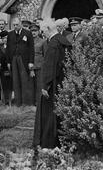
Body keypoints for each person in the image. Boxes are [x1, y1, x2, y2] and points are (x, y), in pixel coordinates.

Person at [33, 19, 72, 149]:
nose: (42, 33)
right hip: (63, 82)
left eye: (43, 31)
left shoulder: (53, 44)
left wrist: (45, 86)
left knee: (49, 114)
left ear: (49, 29)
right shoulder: (63, 41)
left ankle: (49, 143)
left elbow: (50, 67)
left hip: (53, 85)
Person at [7, 18, 35, 106]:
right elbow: (8, 48)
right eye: (14, 25)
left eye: (17, 25)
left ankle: (25, 102)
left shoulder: (27, 33)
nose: (15, 27)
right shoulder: (10, 34)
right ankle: (18, 102)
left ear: (21, 24)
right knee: (15, 81)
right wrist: (8, 61)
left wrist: (31, 61)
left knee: (24, 80)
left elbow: (31, 48)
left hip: (24, 59)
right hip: (14, 59)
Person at [30, 23, 47, 105]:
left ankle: (39, 102)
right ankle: (31, 101)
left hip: (40, 67)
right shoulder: (27, 42)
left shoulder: (43, 41)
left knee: (39, 85)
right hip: (30, 67)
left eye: (35, 31)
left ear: (38, 31)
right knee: (30, 85)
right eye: (32, 31)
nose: (33, 32)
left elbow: (45, 55)